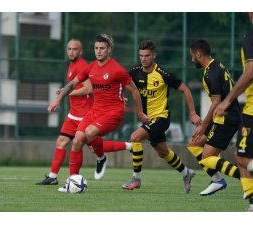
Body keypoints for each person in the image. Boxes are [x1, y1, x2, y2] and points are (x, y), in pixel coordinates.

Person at [47, 34, 150, 192]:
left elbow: (135, 91)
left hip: (113, 112)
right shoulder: (91, 68)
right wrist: (58, 100)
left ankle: (101, 157)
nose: (99, 51)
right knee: (77, 141)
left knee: (89, 133)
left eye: (102, 48)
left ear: (109, 50)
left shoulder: (117, 70)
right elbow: (72, 84)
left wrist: (140, 113)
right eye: (96, 48)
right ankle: (71, 183)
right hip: (95, 110)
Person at [36, 38, 132, 188]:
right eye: (69, 49)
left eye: (74, 49)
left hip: (85, 112)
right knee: (64, 142)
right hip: (73, 113)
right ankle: (55, 177)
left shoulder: (83, 65)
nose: (71, 52)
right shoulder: (72, 66)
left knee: (92, 145)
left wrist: (69, 93)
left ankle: (125, 147)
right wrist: (59, 98)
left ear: (80, 52)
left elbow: (89, 89)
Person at [122, 40, 201, 193]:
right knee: (162, 151)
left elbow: (185, 89)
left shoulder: (163, 74)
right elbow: (120, 82)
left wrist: (192, 113)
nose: (143, 59)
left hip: (161, 118)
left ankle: (136, 179)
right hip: (148, 120)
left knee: (135, 137)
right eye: (141, 56)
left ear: (154, 56)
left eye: (147, 56)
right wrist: (121, 96)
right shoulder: (135, 72)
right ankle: (187, 173)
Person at [187, 39, 241, 196]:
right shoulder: (216, 65)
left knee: (207, 157)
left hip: (226, 118)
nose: (191, 60)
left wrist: (203, 126)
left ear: (198, 54)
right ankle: (217, 181)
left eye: (192, 56)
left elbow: (216, 102)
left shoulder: (211, 73)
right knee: (193, 144)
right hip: (220, 117)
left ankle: (246, 177)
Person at [214, 12, 253, 212]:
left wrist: (228, 100)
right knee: (241, 157)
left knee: (243, 158)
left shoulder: (250, 38)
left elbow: (251, 71)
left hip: (252, 111)